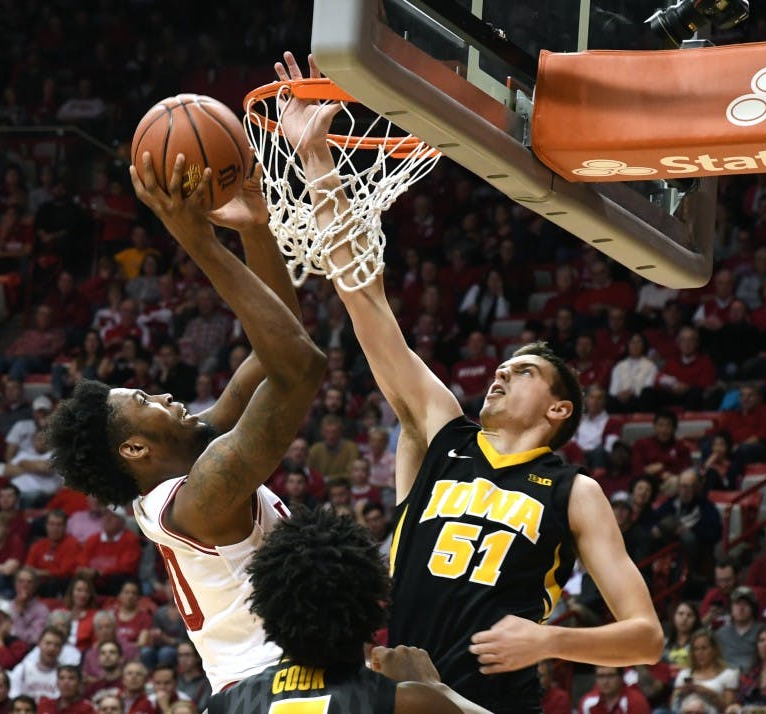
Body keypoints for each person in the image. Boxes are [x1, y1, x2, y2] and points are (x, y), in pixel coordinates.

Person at [273, 51, 662, 714]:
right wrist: (315, 160)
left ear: (560, 409)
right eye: (505, 366)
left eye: (527, 371)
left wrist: (548, 641)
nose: (504, 371)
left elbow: (646, 638)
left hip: (492, 702)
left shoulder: (574, 492)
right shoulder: (443, 432)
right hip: (403, 693)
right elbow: (367, 304)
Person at [48, 153, 326, 695]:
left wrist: (255, 231)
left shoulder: (192, 462)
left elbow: (282, 345)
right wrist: (199, 242)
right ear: (134, 448)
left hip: (277, 685)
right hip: (271, 690)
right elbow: (300, 367)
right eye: (146, 400)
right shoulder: (200, 501)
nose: (165, 395)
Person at [207, 507, 492, 713]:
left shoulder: (225, 706)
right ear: (373, 605)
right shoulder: (409, 703)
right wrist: (433, 687)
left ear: (267, 610)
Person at [668, 630, 738, 713]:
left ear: (714, 650)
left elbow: (728, 709)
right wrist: (681, 693)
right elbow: (673, 706)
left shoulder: (728, 674)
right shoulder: (684, 674)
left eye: (704, 648)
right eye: (696, 649)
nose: (700, 653)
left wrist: (707, 692)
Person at [715, 587, 761, 672]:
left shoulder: (762, 632)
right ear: (730, 608)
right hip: (725, 677)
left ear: (753, 608)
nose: (741, 608)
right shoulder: (721, 633)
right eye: (737, 604)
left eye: (746, 604)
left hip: (753, 678)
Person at [577, 666, 651, 714]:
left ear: (621, 677)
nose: (605, 682)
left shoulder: (636, 701)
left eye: (611, 676)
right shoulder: (587, 701)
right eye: (600, 676)